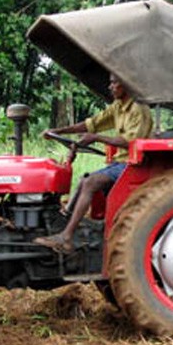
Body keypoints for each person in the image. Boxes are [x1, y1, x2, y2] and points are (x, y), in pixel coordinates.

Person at [34, 74, 153, 253]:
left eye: (114, 83)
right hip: (120, 162)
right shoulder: (118, 107)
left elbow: (132, 142)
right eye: (110, 82)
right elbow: (91, 124)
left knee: (91, 182)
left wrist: (97, 138)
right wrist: (58, 131)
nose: (110, 87)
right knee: (84, 179)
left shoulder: (139, 109)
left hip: (134, 165)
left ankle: (66, 238)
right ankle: (65, 221)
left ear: (126, 85)